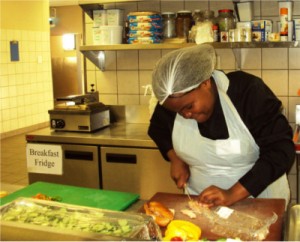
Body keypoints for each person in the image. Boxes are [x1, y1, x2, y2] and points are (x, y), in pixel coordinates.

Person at [148, 44, 295, 207]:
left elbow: (281, 151)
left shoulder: (247, 92)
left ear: (205, 83)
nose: (185, 115)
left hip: (259, 202)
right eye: (178, 111)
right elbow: (157, 129)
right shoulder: (173, 103)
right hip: (203, 204)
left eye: (189, 107)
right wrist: (176, 159)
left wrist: (233, 193)